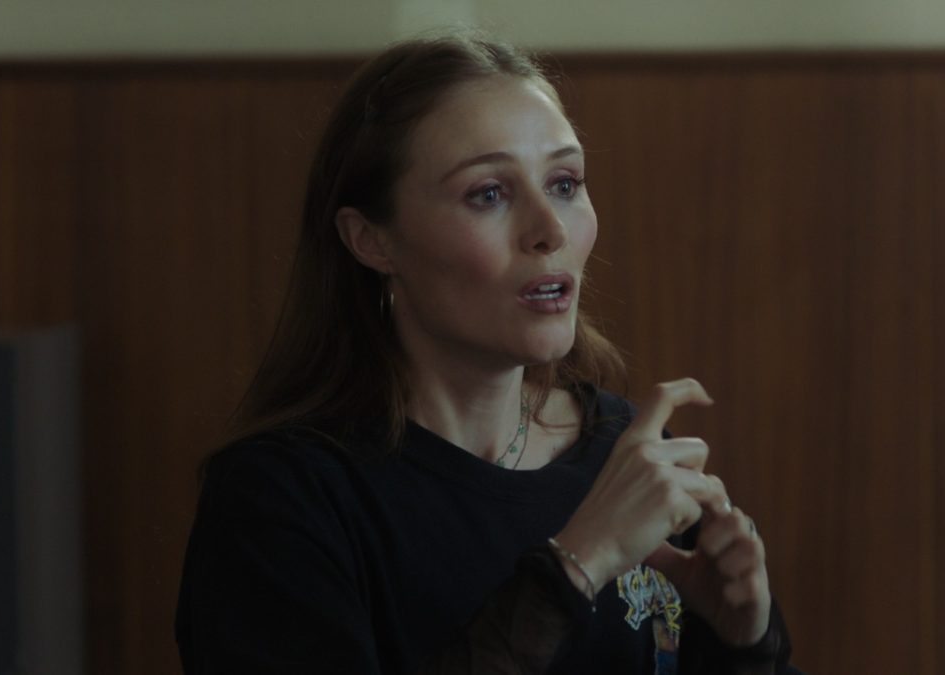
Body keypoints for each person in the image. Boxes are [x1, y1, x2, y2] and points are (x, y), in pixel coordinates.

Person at [176, 33, 800, 675]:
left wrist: (745, 646)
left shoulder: (627, 451)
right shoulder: (283, 497)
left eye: (564, 182)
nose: (550, 230)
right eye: (489, 194)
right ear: (371, 240)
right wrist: (579, 562)